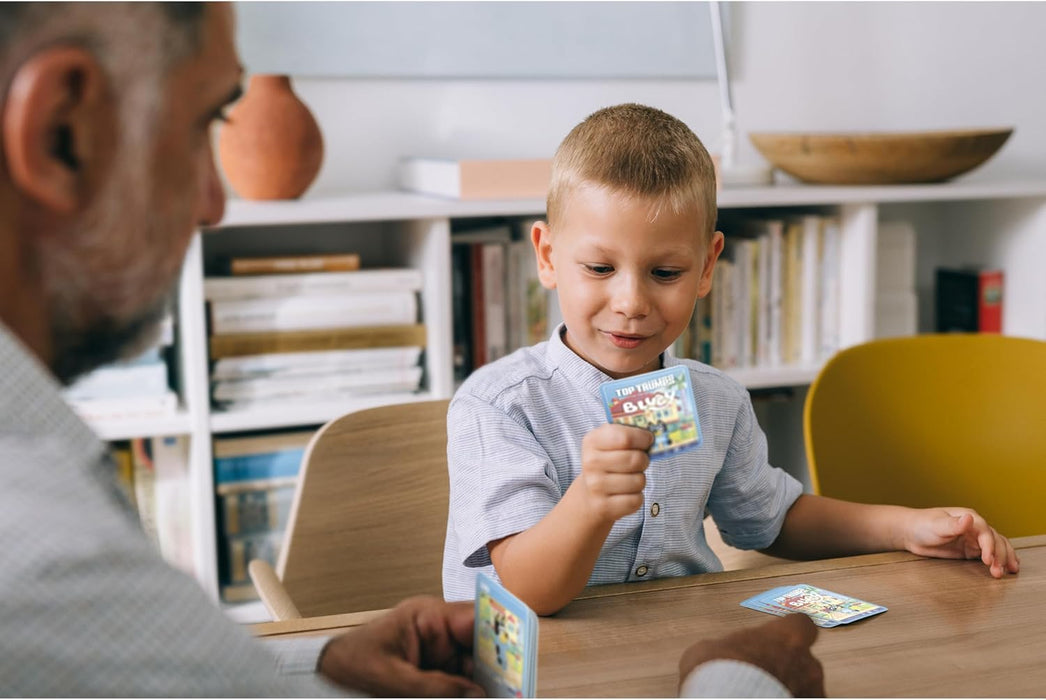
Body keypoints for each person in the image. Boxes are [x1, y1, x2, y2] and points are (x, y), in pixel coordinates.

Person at [0, 3, 825, 697]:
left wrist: (311, 661)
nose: (216, 203)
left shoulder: (49, 520)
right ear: (60, 132)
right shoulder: (44, 555)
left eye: (667, 269)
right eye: (202, 125)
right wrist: (735, 682)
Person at [442, 103, 1020, 616]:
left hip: (678, 653)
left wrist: (908, 527)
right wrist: (588, 505)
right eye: (599, 269)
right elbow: (524, 591)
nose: (632, 303)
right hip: (535, 670)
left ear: (707, 266)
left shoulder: (717, 399)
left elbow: (773, 519)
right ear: (546, 256)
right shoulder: (499, 406)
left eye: (665, 273)